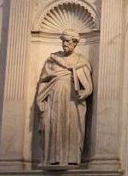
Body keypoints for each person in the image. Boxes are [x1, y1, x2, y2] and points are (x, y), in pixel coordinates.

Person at [35, 29, 93, 167]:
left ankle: (71, 158)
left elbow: (87, 84)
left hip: (72, 99)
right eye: (63, 41)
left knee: (72, 125)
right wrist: (40, 100)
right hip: (54, 98)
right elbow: (43, 81)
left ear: (74, 43)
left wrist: (84, 92)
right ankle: (52, 158)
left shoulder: (80, 61)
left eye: (67, 41)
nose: (64, 44)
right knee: (53, 124)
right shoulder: (52, 60)